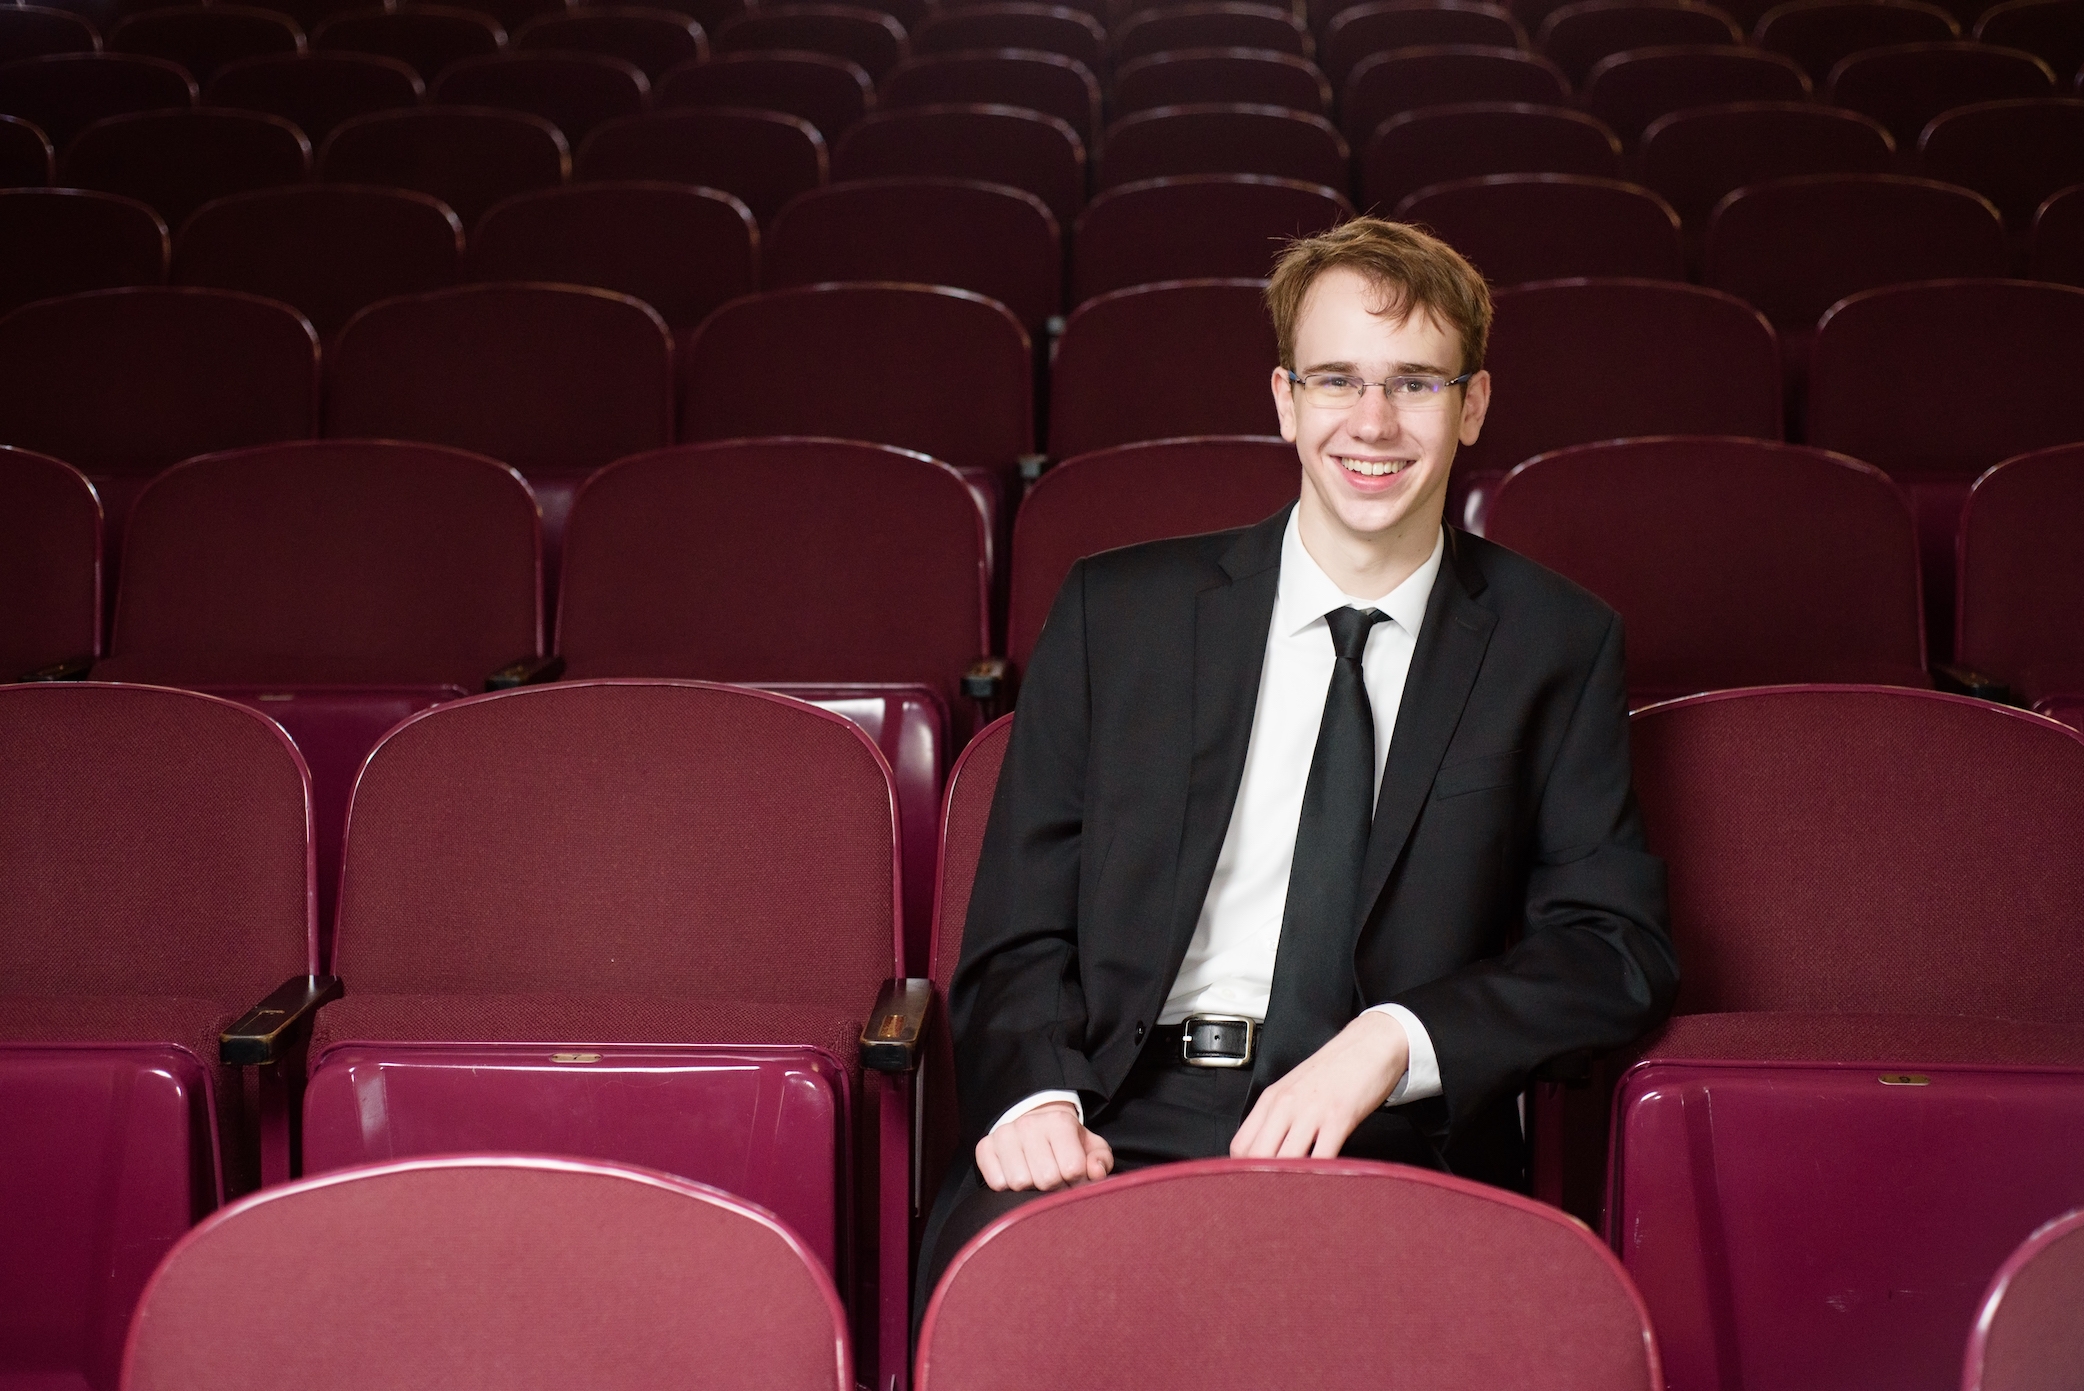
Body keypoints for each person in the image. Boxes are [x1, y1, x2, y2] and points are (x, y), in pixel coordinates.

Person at [921, 217, 1679, 1291]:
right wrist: (1036, 1095)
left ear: (1472, 404)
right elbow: (1014, 929)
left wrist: (1393, 1039)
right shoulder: (1115, 613)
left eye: (1414, 383)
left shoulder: (1554, 642)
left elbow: (1613, 947)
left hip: (1394, 1128)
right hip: (1114, 1112)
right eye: (1337, 380)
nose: (1371, 422)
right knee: (1008, 1294)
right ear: (1284, 399)